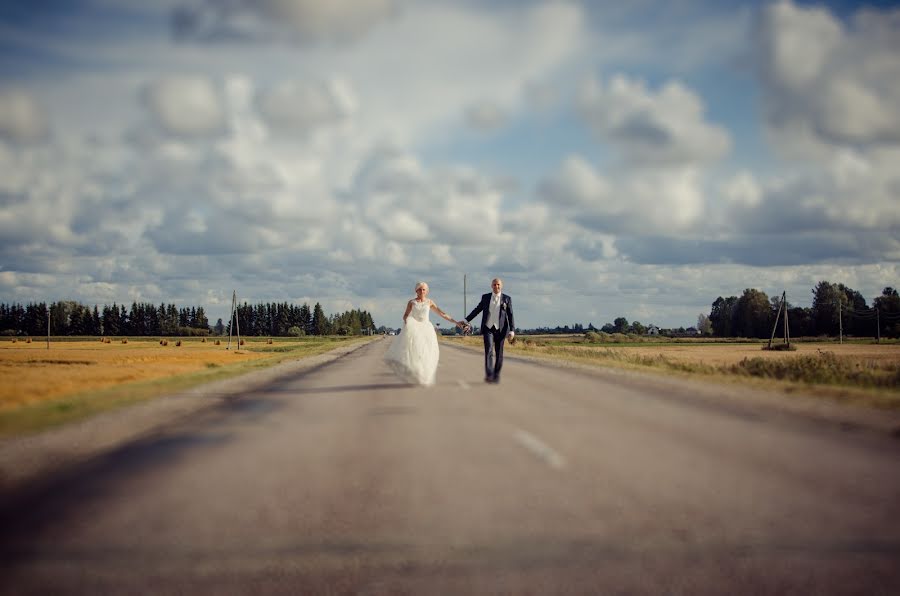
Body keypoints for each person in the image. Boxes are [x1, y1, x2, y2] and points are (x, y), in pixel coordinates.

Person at [384, 282, 464, 386]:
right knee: (416, 352)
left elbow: (442, 314)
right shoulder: (411, 302)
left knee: (427, 352)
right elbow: (405, 316)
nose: (422, 291)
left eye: (424, 290)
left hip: (426, 329)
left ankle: (423, 375)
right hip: (415, 329)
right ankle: (416, 373)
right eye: (420, 289)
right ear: (416, 291)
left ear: (427, 291)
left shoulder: (429, 302)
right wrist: (408, 322)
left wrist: (456, 322)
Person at [461, 278, 515, 383]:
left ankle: (496, 375)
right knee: (489, 351)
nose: (496, 286)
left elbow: (510, 315)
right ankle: (489, 375)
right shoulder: (485, 297)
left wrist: (512, 330)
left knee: (499, 353)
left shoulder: (507, 299)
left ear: (501, 286)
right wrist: (466, 320)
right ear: (491, 286)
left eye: (498, 285)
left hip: (501, 329)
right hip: (488, 328)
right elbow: (477, 309)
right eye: (494, 285)